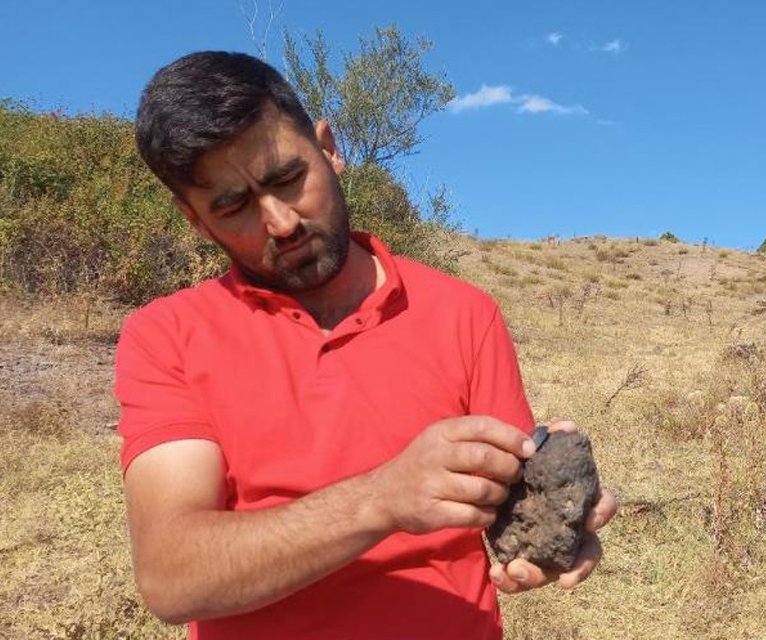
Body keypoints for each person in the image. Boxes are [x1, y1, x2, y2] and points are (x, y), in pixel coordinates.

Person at [116, 50, 616, 639]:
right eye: (232, 206)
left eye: (287, 178)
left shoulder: (463, 313)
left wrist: (561, 515)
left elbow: (509, 503)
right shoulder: (166, 336)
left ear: (329, 148)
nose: (279, 221)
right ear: (196, 221)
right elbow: (173, 576)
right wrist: (380, 499)